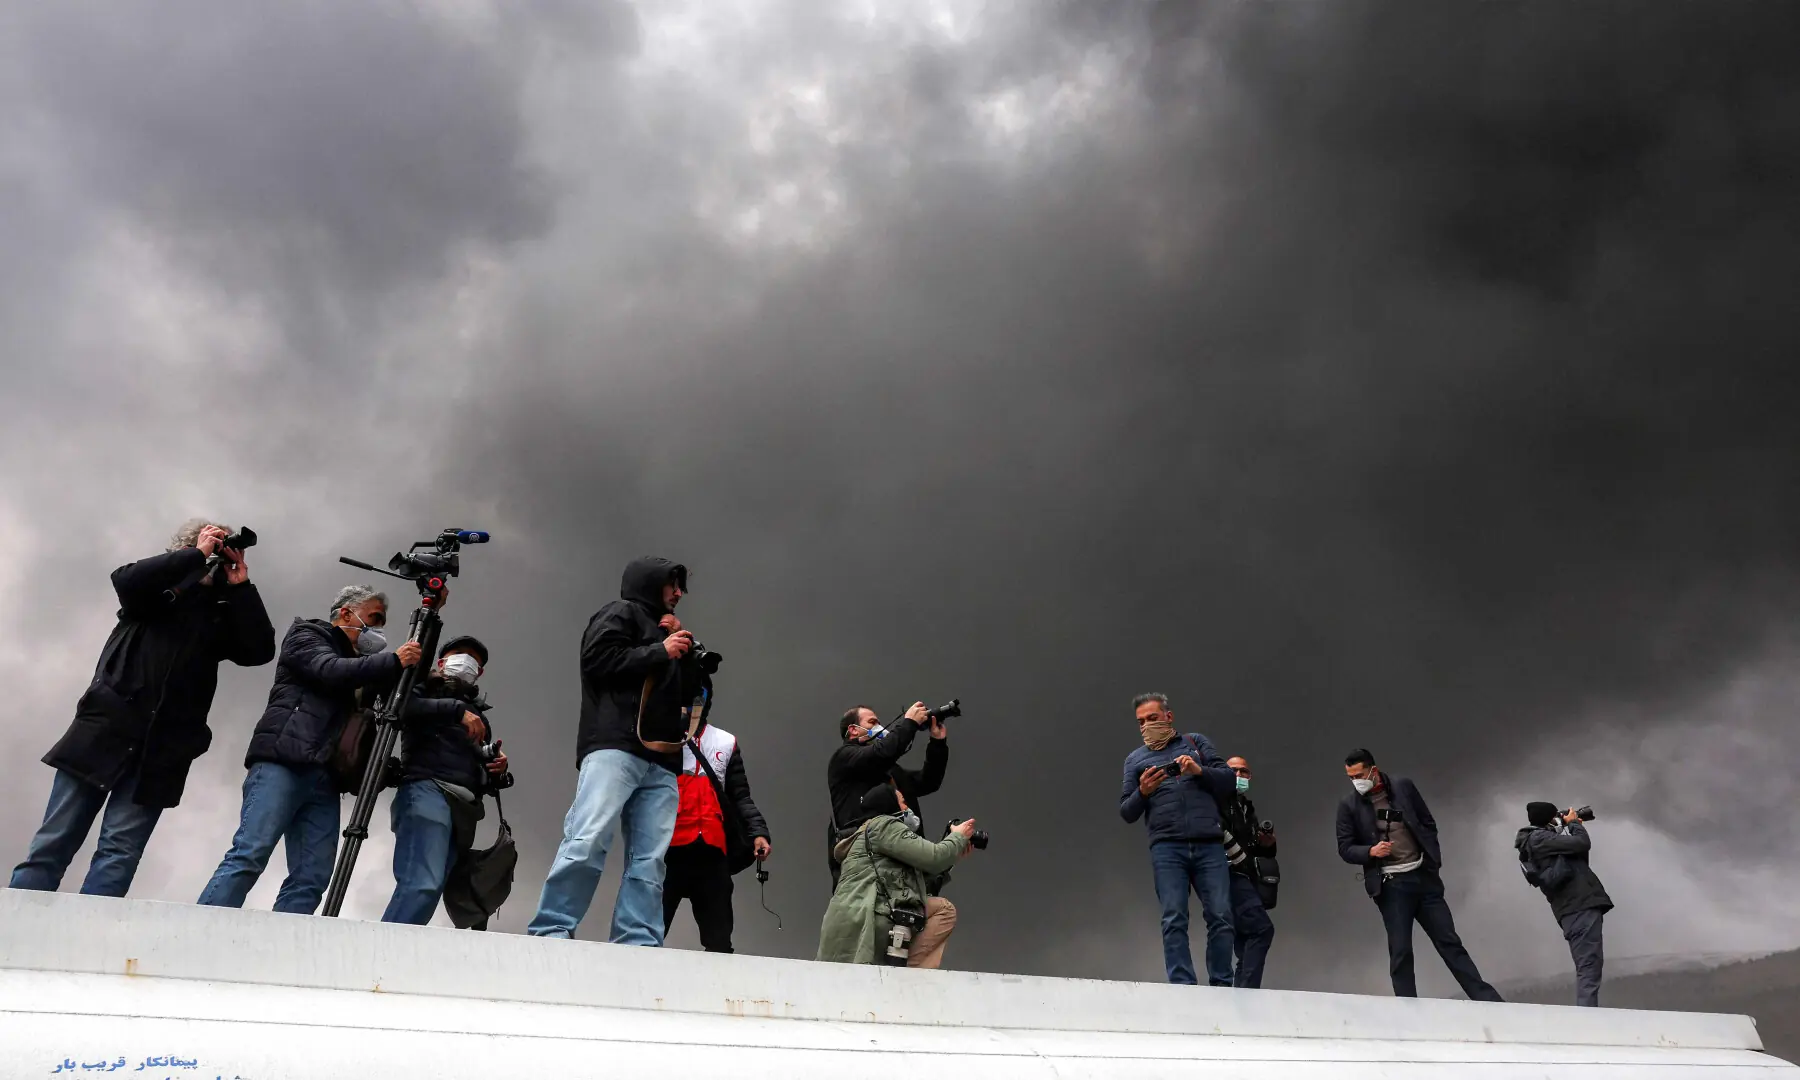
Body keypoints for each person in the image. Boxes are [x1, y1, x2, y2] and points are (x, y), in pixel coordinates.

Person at [12, 520, 274, 897]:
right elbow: (125, 580)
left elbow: (259, 650)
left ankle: (92, 945)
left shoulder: (219, 614)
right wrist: (196, 554)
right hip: (103, 731)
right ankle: (18, 934)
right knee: (53, 842)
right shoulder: (153, 595)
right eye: (210, 551)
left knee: (120, 853)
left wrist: (241, 586)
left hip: (163, 749)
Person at [197, 584, 421, 913]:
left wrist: (430, 621)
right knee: (250, 853)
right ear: (346, 612)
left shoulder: (361, 667)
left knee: (312, 875)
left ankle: (282, 948)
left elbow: (403, 681)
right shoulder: (307, 636)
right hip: (283, 762)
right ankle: (201, 930)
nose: (378, 630)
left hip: (325, 777)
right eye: (374, 619)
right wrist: (391, 660)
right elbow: (328, 670)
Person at [529, 557, 697, 943]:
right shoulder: (622, 612)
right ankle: (551, 930)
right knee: (588, 838)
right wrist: (660, 649)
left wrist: (683, 653)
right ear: (651, 582)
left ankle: (637, 940)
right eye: (673, 584)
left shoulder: (668, 631)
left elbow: (690, 697)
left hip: (662, 757)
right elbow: (597, 660)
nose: (678, 593)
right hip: (614, 747)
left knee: (651, 859)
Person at [1336, 748, 1502, 1001]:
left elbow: (1427, 823)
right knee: (1401, 949)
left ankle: (1487, 1000)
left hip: (1424, 879)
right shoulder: (1348, 805)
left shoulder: (1403, 787)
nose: (1356, 781)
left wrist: (1432, 861)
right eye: (1350, 777)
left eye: (1359, 775)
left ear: (1373, 770)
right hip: (1391, 886)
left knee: (1449, 941)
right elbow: (1345, 848)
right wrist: (1371, 851)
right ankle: (1408, 1007)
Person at [382, 635, 514, 926]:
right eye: (459, 653)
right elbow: (400, 708)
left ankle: (390, 957)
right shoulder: (422, 687)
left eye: (475, 660)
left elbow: (477, 762)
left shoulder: (478, 715)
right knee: (421, 884)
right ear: (441, 662)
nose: (466, 661)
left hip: (463, 808)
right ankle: (379, 958)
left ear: (480, 672)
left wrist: (496, 766)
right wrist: (457, 711)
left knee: (433, 886)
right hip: (427, 790)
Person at [1118, 692, 1238, 987]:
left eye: (1153, 718)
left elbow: (1229, 780)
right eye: (1141, 722)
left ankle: (1222, 984)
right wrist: (1143, 791)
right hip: (1167, 848)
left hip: (1209, 844)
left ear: (1168, 717)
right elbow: (1126, 811)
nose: (1147, 726)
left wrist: (1199, 771)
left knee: (1221, 916)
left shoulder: (1195, 742)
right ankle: (1182, 987)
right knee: (1173, 918)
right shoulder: (1135, 760)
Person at [663, 683, 772, 952]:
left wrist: (759, 832)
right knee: (650, 929)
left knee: (719, 939)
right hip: (667, 847)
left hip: (712, 849)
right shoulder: (661, 734)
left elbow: (741, 796)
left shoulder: (726, 741)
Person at [818, 783, 974, 968]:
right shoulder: (883, 824)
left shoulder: (871, 836)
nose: (908, 807)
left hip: (851, 919)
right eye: (902, 802)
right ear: (889, 805)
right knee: (944, 910)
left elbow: (914, 886)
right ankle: (907, 978)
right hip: (866, 914)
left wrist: (952, 856)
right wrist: (958, 836)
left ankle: (902, 977)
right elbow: (934, 857)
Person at [825, 701, 949, 887]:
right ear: (853, 730)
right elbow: (880, 754)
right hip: (867, 865)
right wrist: (909, 723)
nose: (879, 727)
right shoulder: (844, 757)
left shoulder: (889, 770)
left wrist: (937, 743)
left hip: (899, 862)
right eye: (872, 722)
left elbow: (928, 782)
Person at [1516, 802, 1612, 1007]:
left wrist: (1565, 825)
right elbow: (1582, 843)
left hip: (1574, 908)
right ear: (1548, 819)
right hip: (1579, 907)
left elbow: (1579, 859)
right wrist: (1574, 823)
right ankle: (1587, 1021)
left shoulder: (1541, 841)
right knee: (1589, 967)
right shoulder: (1539, 838)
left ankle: (1587, 1016)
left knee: (1588, 965)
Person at [1220, 755, 1277, 989]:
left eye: (1244, 772)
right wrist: (1241, 859)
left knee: (1245, 944)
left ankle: (1241, 1001)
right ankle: (1248, 993)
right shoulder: (1217, 801)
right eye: (1233, 771)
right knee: (1262, 930)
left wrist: (1267, 842)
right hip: (1229, 875)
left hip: (1248, 877)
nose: (1239, 776)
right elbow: (1217, 832)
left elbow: (1259, 849)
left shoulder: (1246, 807)